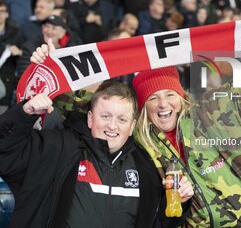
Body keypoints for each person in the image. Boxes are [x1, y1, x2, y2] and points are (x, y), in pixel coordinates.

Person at [30, 14, 241, 227]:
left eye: (169, 94)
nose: (163, 104)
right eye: (153, 98)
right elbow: (77, 108)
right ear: (143, 108)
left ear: (182, 96)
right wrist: (51, 66)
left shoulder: (219, 114)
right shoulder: (138, 141)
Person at [0, 78, 193, 227]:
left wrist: (180, 203)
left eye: (122, 119)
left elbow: (156, 225)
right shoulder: (59, 148)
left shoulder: (146, 167)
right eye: (105, 116)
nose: (112, 126)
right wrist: (24, 113)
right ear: (90, 118)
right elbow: (5, 152)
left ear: (132, 125)